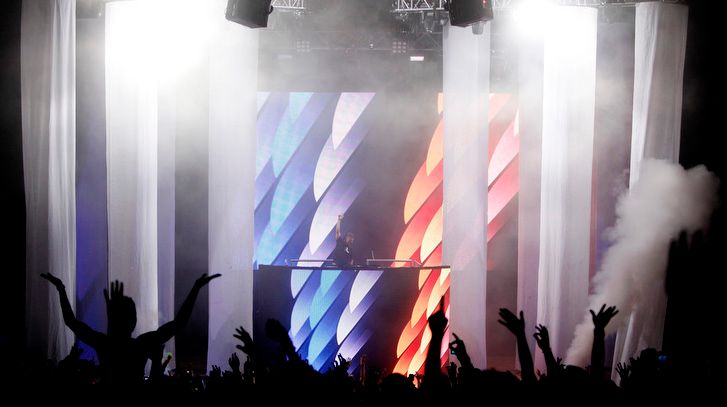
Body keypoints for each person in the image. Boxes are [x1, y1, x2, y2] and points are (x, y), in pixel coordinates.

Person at [41, 272, 220, 386]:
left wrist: (61, 289)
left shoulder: (105, 344)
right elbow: (179, 323)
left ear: (111, 319)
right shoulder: (140, 345)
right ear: (133, 322)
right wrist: (195, 289)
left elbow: (71, 321)